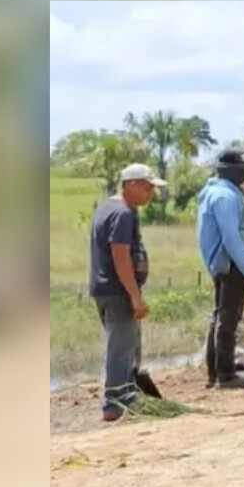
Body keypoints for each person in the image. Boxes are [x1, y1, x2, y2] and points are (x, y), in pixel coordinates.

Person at [89, 163, 165, 422]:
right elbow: (120, 257)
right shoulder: (121, 214)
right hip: (118, 290)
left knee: (128, 345)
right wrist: (134, 295)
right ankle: (115, 403)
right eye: (147, 187)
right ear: (131, 184)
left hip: (106, 289)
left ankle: (130, 394)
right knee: (121, 348)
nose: (150, 193)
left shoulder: (109, 208)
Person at [195, 148, 244, 388]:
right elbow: (231, 238)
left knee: (222, 315)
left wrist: (243, 193)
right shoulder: (224, 197)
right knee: (227, 318)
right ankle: (225, 375)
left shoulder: (219, 191)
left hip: (224, 263)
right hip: (232, 264)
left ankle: (219, 368)